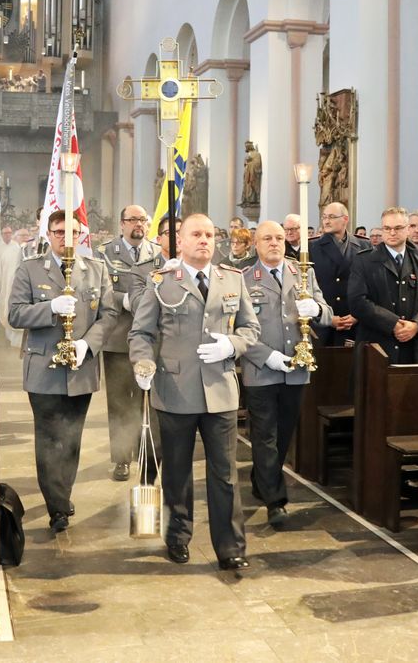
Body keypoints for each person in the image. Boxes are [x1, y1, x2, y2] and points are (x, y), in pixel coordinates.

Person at [129, 214, 260, 572]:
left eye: (209, 234)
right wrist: (143, 363)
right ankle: (178, 535)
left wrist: (232, 345)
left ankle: (231, 547)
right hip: (174, 389)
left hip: (219, 390)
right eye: (195, 234)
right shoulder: (160, 282)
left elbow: (251, 326)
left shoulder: (232, 278)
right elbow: (141, 333)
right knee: (177, 471)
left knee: (224, 473)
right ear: (180, 242)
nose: (204, 240)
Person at [9, 209, 117, 531]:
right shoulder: (30, 269)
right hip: (43, 367)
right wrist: (50, 308)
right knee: (49, 437)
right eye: (58, 232)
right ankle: (56, 505)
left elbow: (109, 315)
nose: (64, 239)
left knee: (71, 438)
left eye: (71, 233)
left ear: (81, 235)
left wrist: (88, 345)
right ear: (48, 234)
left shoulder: (95, 270)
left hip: (80, 368)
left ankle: (63, 492)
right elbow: (15, 314)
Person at [239, 221, 332, 526]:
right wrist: (267, 356)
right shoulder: (242, 278)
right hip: (261, 370)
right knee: (265, 435)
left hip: (296, 368)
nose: (275, 243)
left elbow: (326, 311)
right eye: (268, 238)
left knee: (283, 435)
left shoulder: (303, 272)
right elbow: (236, 329)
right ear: (256, 244)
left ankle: (261, 480)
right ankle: (275, 501)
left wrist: (316, 311)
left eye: (279, 238)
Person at [96, 204, 162, 482]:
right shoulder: (106, 253)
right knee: (121, 402)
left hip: (150, 340)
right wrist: (124, 299)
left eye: (143, 220)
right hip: (119, 338)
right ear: (121, 224)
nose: (138, 224)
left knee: (148, 402)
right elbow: (99, 290)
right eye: (132, 219)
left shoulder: (158, 254)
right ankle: (122, 458)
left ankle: (146, 455)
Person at [347, 208, 418, 363]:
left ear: (407, 229)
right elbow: (357, 302)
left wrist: (416, 325)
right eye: (387, 228)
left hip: (414, 347)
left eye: (398, 228)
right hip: (377, 346)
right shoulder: (364, 261)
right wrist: (392, 323)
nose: (392, 233)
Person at [310, 201, 370, 346]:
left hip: (355, 321)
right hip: (324, 324)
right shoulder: (312, 247)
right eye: (324, 217)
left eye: (331, 217)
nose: (326, 221)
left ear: (345, 219)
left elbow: (371, 284)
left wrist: (357, 315)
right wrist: (328, 318)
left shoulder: (364, 246)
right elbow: (306, 288)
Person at [0, 224, 24, 347]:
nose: (25, 238)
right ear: (17, 236)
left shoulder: (32, 251)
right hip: (9, 290)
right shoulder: (4, 251)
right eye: (22, 235)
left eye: (26, 235)